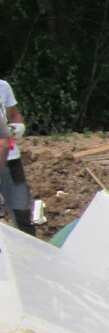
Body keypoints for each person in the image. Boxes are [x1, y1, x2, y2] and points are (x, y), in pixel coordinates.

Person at [0, 79, 37, 236]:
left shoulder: (3, 86)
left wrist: (18, 126)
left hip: (11, 161)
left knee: (21, 211)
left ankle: (29, 253)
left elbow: (13, 113)